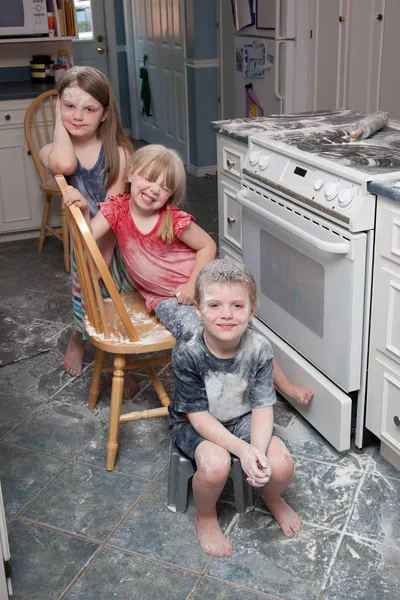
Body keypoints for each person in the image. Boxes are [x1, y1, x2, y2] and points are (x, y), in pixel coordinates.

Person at [62, 143, 313, 404]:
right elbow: (87, 237)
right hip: (165, 298)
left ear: (170, 194)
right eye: (148, 178)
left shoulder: (171, 218)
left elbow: (207, 245)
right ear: (130, 174)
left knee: (241, 327)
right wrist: (82, 211)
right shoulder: (117, 209)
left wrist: (194, 283)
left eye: (164, 186)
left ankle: (282, 384)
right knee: (199, 333)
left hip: (202, 286)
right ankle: (216, 394)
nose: (153, 189)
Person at [169, 259, 302, 557]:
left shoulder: (259, 349)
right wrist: (241, 451)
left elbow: (263, 406)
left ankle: (272, 497)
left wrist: (255, 451)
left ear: (252, 310)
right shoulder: (188, 352)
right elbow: (198, 416)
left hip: (243, 417)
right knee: (217, 466)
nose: (226, 315)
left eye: (237, 306)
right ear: (198, 309)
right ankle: (205, 516)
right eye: (215, 305)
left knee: (280, 464)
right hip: (194, 422)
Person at [39, 66, 136, 393]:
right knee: (87, 298)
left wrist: (100, 255)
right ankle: (79, 336)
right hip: (83, 238)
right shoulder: (54, 151)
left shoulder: (119, 154)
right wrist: (59, 118)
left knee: (115, 298)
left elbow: (113, 213)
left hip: (116, 237)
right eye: (68, 106)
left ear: (105, 114)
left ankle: (124, 356)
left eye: (89, 108)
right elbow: (63, 166)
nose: (77, 116)